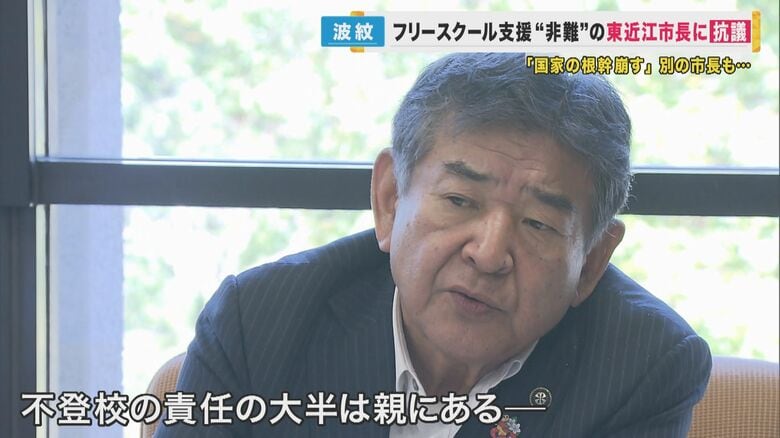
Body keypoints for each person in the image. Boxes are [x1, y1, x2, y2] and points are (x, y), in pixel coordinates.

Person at [155, 53, 712, 438]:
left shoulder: (642, 366)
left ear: (590, 262)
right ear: (390, 200)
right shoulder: (260, 323)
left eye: (538, 224)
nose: (488, 255)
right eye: (460, 200)